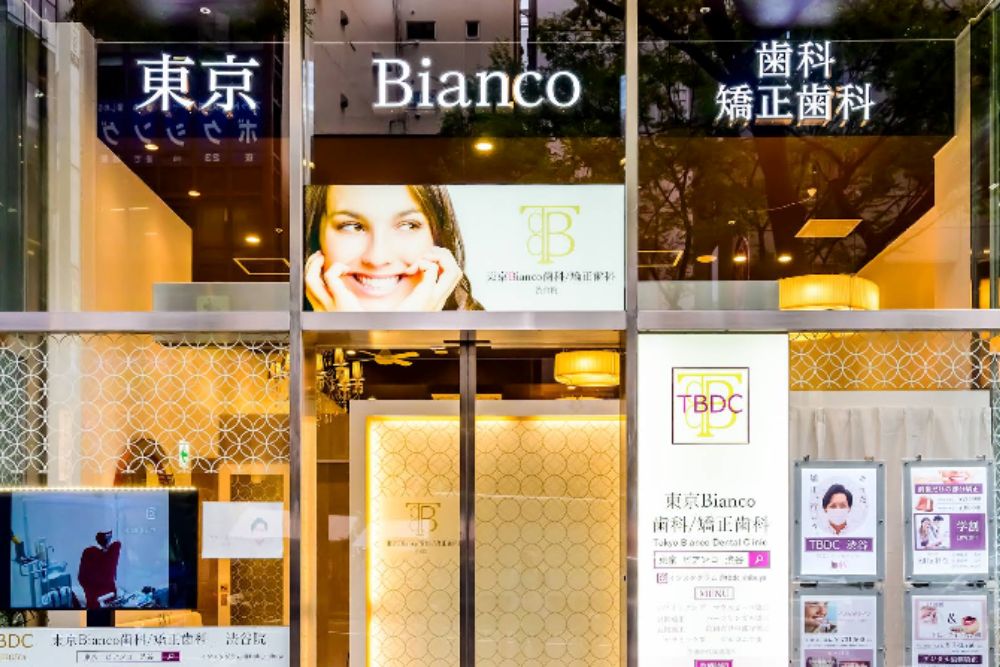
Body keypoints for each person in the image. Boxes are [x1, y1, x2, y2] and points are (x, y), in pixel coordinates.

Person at [305, 185, 482, 311]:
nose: (377, 258)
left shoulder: (485, 341)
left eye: (407, 225)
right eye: (352, 226)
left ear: (437, 238)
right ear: (316, 235)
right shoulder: (289, 330)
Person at [78, 530, 122, 608]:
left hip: (94, 598)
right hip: (110, 596)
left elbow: (81, 578)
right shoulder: (113, 550)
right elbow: (117, 544)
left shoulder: (89, 553)